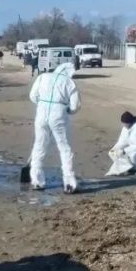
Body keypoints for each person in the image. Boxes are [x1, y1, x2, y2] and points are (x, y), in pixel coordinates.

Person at [28, 62, 80, 193]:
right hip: (59, 113)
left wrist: (42, 104)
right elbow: (75, 106)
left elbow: (33, 96)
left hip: (42, 112)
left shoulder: (43, 77)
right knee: (64, 147)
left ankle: (37, 181)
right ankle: (69, 183)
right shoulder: (69, 82)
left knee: (39, 145)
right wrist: (68, 110)